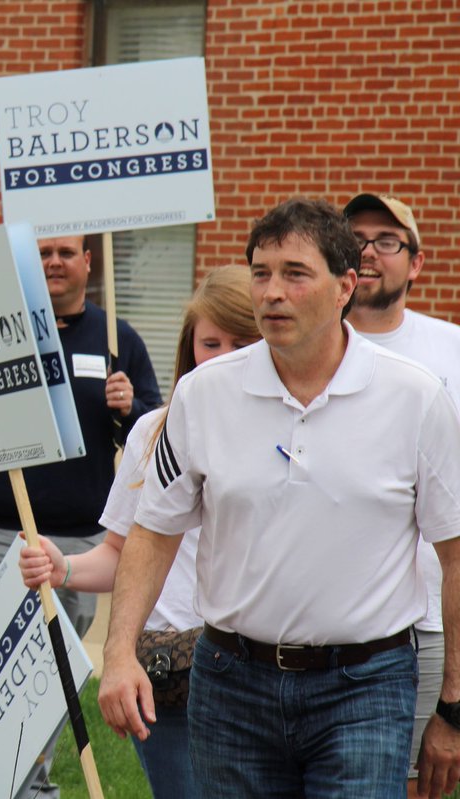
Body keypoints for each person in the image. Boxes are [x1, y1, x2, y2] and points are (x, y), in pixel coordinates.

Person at [98, 198, 460, 798]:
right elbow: (153, 533)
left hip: (366, 688)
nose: (272, 292)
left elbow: (455, 555)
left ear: (345, 286)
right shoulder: (202, 394)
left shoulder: (415, 399)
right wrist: (118, 653)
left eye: (295, 274)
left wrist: (454, 703)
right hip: (231, 683)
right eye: (261, 273)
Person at [0, 234, 161, 797]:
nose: (54, 262)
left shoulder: (117, 340)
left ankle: (29, 787)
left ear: (88, 261)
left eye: (66, 252)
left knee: (46, 681)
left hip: (80, 546)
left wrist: (130, 407)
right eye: (43, 253)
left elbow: (155, 435)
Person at [19, 265, 259, 799]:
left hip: (260, 673)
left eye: (242, 342)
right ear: (188, 348)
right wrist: (64, 568)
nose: (223, 357)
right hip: (170, 672)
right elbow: (120, 554)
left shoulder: (295, 432)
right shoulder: (153, 431)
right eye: (211, 343)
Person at [343, 193, 460, 796]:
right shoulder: (306, 350)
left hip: (429, 620)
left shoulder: (451, 351)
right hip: (331, 625)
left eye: (387, 241)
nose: (368, 252)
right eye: (354, 239)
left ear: (416, 263)